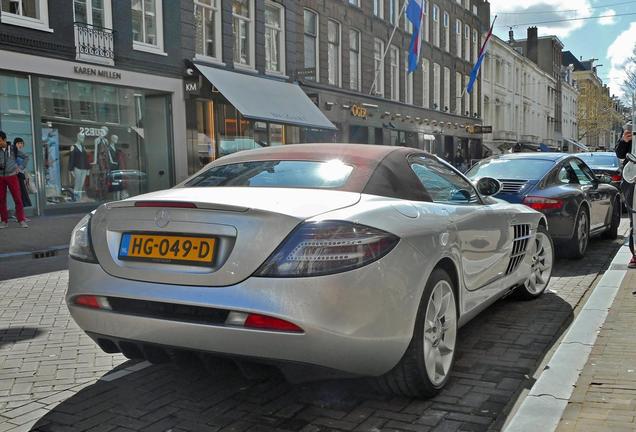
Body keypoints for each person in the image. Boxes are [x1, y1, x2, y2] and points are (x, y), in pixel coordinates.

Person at [616, 125, 635, 268]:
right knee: (634, 218)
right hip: (632, 179)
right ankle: (635, 253)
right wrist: (624, 140)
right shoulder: (630, 126)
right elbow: (620, 154)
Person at [0, 131, 28, 228]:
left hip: (12, 176)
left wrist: (20, 168)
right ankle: (4, 221)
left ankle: (21, 220)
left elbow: (26, 157)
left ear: (4, 139)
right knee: (1, 200)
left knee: (17, 198)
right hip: (0, 178)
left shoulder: (12, 149)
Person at [9, 137, 31, 221]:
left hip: (19, 175)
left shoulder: (19, 153)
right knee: (20, 195)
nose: (20, 145)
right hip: (15, 176)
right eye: (19, 143)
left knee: (20, 195)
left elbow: (25, 161)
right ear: (15, 144)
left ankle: (19, 214)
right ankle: (19, 215)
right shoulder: (13, 153)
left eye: (21, 143)